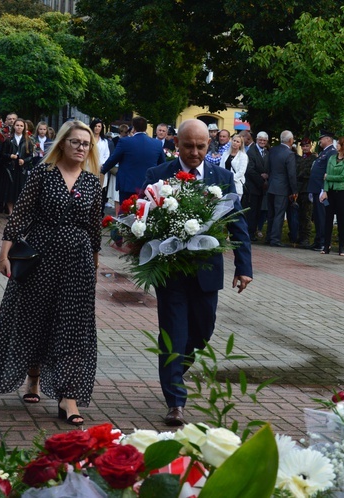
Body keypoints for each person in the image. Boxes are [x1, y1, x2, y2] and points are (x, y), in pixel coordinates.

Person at [0, 120, 103, 426]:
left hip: (78, 260)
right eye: (75, 142)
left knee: (73, 328)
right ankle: (32, 379)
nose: (80, 148)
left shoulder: (91, 181)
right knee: (34, 318)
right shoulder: (44, 174)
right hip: (42, 256)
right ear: (62, 143)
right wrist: (4, 254)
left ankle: (68, 397)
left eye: (86, 144)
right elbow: (21, 213)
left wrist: (95, 261)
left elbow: (94, 226)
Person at [142, 119, 252, 426]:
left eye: (201, 147)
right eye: (188, 146)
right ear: (176, 143)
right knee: (173, 337)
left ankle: (175, 370)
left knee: (202, 332)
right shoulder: (157, 175)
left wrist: (244, 267)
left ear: (210, 145)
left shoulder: (223, 177)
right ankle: (175, 401)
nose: (194, 152)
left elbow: (238, 223)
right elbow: (142, 218)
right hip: (170, 273)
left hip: (207, 272)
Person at [101, 116, 164, 202]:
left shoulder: (125, 142)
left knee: (125, 213)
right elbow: (162, 165)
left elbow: (113, 159)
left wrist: (102, 170)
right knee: (144, 213)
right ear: (146, 128)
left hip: (127, 185)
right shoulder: (157, 144)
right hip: (148, 187)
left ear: (133, 128)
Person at [321, 136, 344, 256]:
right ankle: (326, 245)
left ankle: (341, 246)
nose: (336, 145)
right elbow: (327, 173)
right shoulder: (331, 158)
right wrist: (325, 190)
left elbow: (342, 177)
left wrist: (328, 177)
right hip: (330, 192)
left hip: (342, 192)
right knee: (328, 219)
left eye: (339, 144)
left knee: (342, 220)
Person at [265, 130, 298, 247]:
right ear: (290, 140)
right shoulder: (289, 154)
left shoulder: (273, 150)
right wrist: (294, 191)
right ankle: (275, 239)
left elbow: (268, 167)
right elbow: (291, 174)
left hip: (271, 185)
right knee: (279, 214)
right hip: (282, 188)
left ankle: (268, 237)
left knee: (271, 213)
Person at [307, 132, 337, 251]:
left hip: (322, 190)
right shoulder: (325, 152)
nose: (320, 141)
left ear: (328, 139)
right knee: (318, 217)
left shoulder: (331, 152)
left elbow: (329, 172)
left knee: (322, 216)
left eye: (322, 139)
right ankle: (318, 240)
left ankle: (323, 242)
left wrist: (324, 189)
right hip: (316, 188)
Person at [0, 119, 34, 214]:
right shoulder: (8, 139)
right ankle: (11, 212)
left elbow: (31, 155)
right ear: (14, 126)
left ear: (24, 128)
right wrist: (10, 156)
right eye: (17, 125)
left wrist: (24, 160)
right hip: (10, 168)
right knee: (10, 190)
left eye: (21, 126)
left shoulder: (28, 141)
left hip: (21, 169)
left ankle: (17, 211)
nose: (19, 127)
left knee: (20, 190)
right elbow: (2, 154)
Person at [243, 131, 269, 241]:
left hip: (263, 188)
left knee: (259, 211)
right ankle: (249, 233)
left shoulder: (268, 152)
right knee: (252, 212)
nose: (262, 142)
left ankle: (253, 231)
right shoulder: (251, 152)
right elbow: (250, 170)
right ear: (257, 140)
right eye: (260, 140)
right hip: (253, 187)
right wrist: (261, 180)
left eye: (264, 140)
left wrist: (267, 177)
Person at [294, 137, 316, 246]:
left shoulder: (313, 158)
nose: (305, 148)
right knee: (300, 214)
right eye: (303, 146)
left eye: (307, 146)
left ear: (311, 146)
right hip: (299, 188)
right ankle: (300, 236)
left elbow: (309, 173)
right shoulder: (299, 159)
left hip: (307, 188)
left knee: (307, 215)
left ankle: (306, 237)